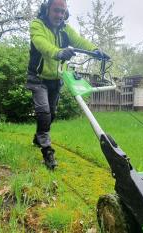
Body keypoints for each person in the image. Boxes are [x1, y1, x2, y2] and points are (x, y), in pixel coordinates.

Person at [26, 0, 107, 170]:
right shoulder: (36, 25)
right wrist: (58, 52)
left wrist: (95, 50)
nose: (60, 15)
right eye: (56, 11)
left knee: (52, 114)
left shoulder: (65, 29)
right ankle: (47, 151)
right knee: (43, 112)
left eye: (63, 12)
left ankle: (38, 136)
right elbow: (41, 43)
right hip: (38, 78)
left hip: (56, 79)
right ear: (47, 9)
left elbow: (79, 41)